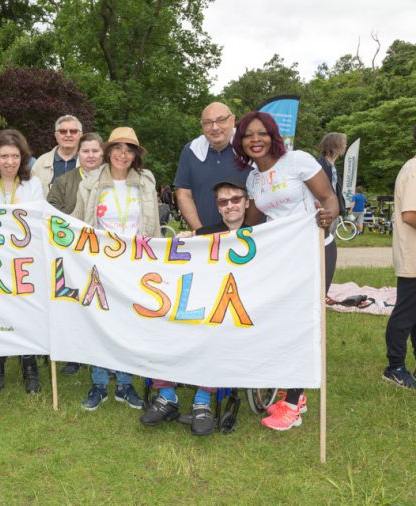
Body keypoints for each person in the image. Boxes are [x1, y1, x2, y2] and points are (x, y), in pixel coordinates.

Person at [232, 111, 338, 431]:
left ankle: (292, 402)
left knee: (306, 321)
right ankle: (296, 393)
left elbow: (329, 198)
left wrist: (328, 215)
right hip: (283, 257)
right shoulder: (253, 178)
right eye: (249, 135)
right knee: (283, 320)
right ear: (242, 141)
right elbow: (251, 223)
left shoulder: (298, 161)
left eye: (261, 133)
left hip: (316, 249)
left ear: (273, 135)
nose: (255, 139)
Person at [140, 178, 250, 436]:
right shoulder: (205, 234)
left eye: (235, 199)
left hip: (237, 311)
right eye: (223, 202)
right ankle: (167, 395)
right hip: (203, 303)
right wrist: (183, 240)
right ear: (218, 207)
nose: (230, 205)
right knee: (163, 325)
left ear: (246, 202)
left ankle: (202, 400)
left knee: (215, 332)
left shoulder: (263, 235)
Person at [72, 126, 160, 411]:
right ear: (108, 152)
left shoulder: (146, 181)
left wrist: (156, 258)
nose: (123, 155)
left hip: (134, 262)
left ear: (135, 155)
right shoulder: (91, 181)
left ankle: (124, 383)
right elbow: (78, 218)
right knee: (99, 321)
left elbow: (153, 224)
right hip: (99, 261)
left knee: (128, 322)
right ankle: (99, 383)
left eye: (129, 149)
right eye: (118, 149)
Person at [0, 129, 44, 394]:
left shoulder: (33, 184)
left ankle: (29, 365)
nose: (10, 162)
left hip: (24, 258)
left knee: (25, 310)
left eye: (15, 156)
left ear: (22, 157)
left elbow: (37, 220)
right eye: (4, 156)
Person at [47, 132, 104, 376]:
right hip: (74, 252)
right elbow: (52, 211)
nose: (90, 156)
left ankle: (105, 356)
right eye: (86, 151)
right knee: (77, 303)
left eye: (95, 151)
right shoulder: (64, 181)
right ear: (78, 154)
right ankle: (76, 354)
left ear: (103, 154)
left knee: (102, 304)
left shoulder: (111, 179)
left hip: (106, 252)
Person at [174, 102, 246, 232]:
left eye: (221, 120)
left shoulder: (248, 146)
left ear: (233, 120)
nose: (215, 127)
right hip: (206, 242)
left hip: (250, 238)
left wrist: (249, 232)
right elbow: (183, 194)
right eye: (208, 123)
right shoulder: (191, 151)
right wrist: (201, 233)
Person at [381, 125, 416, 389]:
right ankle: (394, 367)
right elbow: (410, 215)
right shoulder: (414, 170)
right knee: (404, 314)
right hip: (412, 256)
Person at [31, 115, 83, 196]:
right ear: (56, 136)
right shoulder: (40, 163)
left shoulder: (90, 163)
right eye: (63, 131)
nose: (68, 135)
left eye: (73, 131)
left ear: (80, 135)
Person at [317, 133, 348, 221]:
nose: (345, 145)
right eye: (343, 143)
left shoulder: (333, 167)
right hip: (324, 213)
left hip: (333, 213)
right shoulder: (319, 166)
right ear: (335, 145)